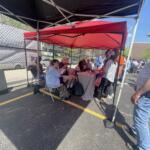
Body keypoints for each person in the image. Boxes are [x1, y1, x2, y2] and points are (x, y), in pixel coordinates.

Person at [130, 62, 150, 150]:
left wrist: (138, 93)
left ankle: (144, 147)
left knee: (140, 122)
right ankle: (135, 131)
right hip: (144, 93)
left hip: (145, 94)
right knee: (140, 119)